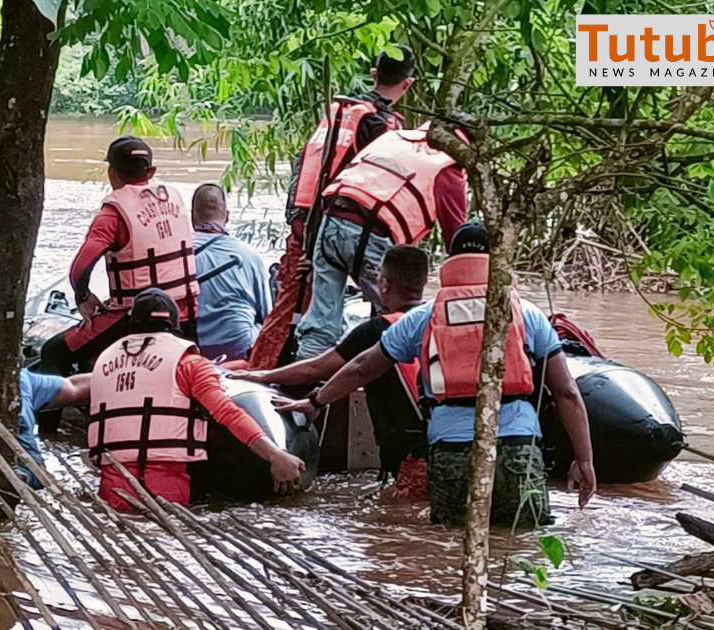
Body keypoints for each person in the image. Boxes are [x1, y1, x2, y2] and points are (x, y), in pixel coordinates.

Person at [274, 223, 597, 528]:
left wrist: (315, 400)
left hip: (451, 450)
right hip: (517, 447)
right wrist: (584, 460)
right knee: (521, 542)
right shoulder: (528, 314)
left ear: (452, 262)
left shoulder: (424, 316)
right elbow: (567, 392)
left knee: (452, 543)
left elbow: (363, 367)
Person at [250, 48, 416, 371]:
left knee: (292, 310)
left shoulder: (340, 112)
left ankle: (269, 373)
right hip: (337, 224)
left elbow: (304, 165)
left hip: (305, 220)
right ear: (407, 85)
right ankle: (383, 376)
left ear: (372, 74)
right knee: (393, 307)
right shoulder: (382, 125)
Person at [90, 288, 305, 512]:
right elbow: (227, 413)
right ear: (175, 324)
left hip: (112, 490)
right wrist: (275, 455)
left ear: (132, 324)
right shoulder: (189, 363)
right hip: (166, 491)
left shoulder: (103, 363)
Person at [231, 245, 429, 484]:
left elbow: (317, 368)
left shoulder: (377, 330)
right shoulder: (432, 319)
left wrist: (265, 377)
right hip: (439, 437)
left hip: (408, 449)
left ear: (385, 284)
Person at [294, 122, 469, 361]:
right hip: (370, 233)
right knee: (398, 319)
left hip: (330, 221)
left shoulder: (394, 137)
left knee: (321, 321)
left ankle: (302, 380)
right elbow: (459, 243)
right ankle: (395, 386)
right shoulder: (447, 166)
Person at [35, 137, 200, 376]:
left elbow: (80, 268)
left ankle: (47, 411)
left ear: (111, 172)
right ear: (150, 171)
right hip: (184, 313)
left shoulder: (112, 214)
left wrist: (83, 296)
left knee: (53, 352)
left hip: (133, 316)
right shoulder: (174, 199)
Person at [190, 183, 272, 361]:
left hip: (190, 347)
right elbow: (267, 315)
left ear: (191, 217)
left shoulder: (175, 252)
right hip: (238, 348)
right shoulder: (249, 256)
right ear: (227, 217)